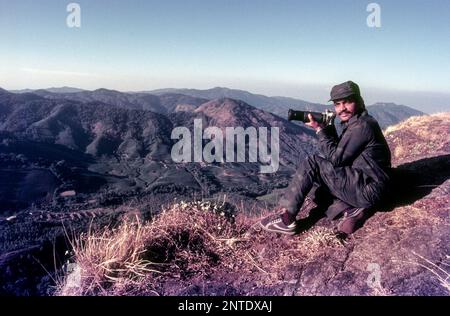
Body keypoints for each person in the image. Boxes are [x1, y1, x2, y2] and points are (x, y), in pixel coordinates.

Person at [260, 81, 391, 237]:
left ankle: (287, 221)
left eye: (348, 102)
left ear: (360, 101)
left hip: (368, 189)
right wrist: (329, 129)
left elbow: (337, 160)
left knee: (312, 163)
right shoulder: (357, 122)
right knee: (312, 186)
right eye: (338, 104)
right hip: (367, 185)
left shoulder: (361, 126)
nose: (342, 108)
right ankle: (351, 209)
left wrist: (319, 131)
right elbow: (344, 154)